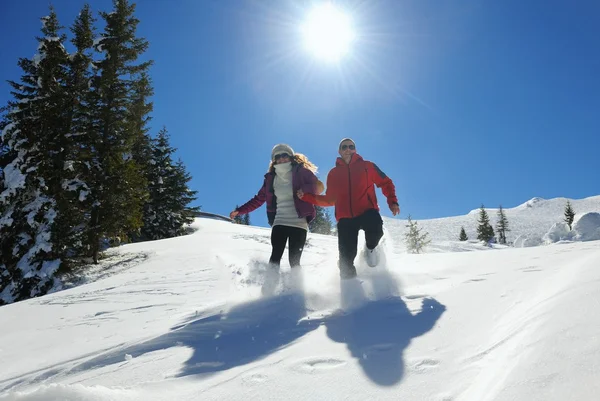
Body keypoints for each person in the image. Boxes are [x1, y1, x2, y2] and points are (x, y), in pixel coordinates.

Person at [298, 138, 400, 279]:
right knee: (346, 260)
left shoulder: (368, 166)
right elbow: (330, 199)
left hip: (367, 211)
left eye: (351, 146)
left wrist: (393, 201)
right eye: (344, 147)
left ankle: (370, 249)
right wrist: (306, 197)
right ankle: (350, 289)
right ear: (339, 151)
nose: (348, 149)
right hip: (345, 218)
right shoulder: (333, 173)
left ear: (355, 149)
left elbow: (386, 183)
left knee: (376, 230)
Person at [230, 144, 324, 272]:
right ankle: (270, 286)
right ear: (274, 159)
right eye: (278, 156)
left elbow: (318, 186)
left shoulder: (301, 172)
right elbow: (258, 199)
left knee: (294, 261)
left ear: (291, 157)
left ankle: (297, 288)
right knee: (275, 257)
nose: (281, 158)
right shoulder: (270, 178)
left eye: (284, 155)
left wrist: (305, 190)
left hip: (299, 223)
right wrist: (240, 210)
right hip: (279, 221)